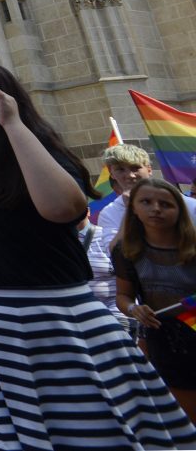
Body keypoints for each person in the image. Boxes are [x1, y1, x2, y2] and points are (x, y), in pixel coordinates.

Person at [0, 61, 195, 450]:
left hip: (52, 317)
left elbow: (64, 209)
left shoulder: (37, 153)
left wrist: (14, 127)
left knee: (88, 435)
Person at [114, 177, 196, 425]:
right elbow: (123, 296)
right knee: (186, 415)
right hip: (164, 338)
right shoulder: (125, 250)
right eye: (146, 202)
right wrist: (133, 308)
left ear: (179, 210)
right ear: (134, 208)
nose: (156, 209)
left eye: (165, 204)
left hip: (194, 324)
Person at [95, 144, 196, 267]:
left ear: (149, 169)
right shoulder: (109, 213)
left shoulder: (187, 204)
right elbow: (116, 255)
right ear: (111, 173)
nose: (130, 175)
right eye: (120, 169)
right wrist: (130, 210)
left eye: (135, 168)